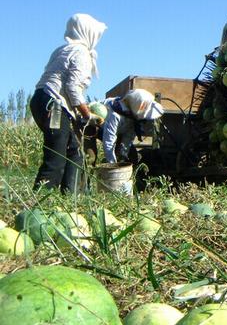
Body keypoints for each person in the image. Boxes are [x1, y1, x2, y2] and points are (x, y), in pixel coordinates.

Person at [31, 13, 107, 193]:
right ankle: (40, 204)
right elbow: (72, 87)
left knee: (74, 151)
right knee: (56, 157)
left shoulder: (62, 49)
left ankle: (70, 197)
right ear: (88, 33)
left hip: (41, 100)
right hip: (54, 106)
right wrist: (88, 115)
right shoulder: (81, 53)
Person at [100, 89, 164, 164]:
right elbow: (108, 142)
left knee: (131, 155)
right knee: (91, 156)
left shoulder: (132, 116)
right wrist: (113, 165)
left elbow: (128, 137)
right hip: (93, 126)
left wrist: (123, 156)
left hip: (117, 131)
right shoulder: (115, 115)